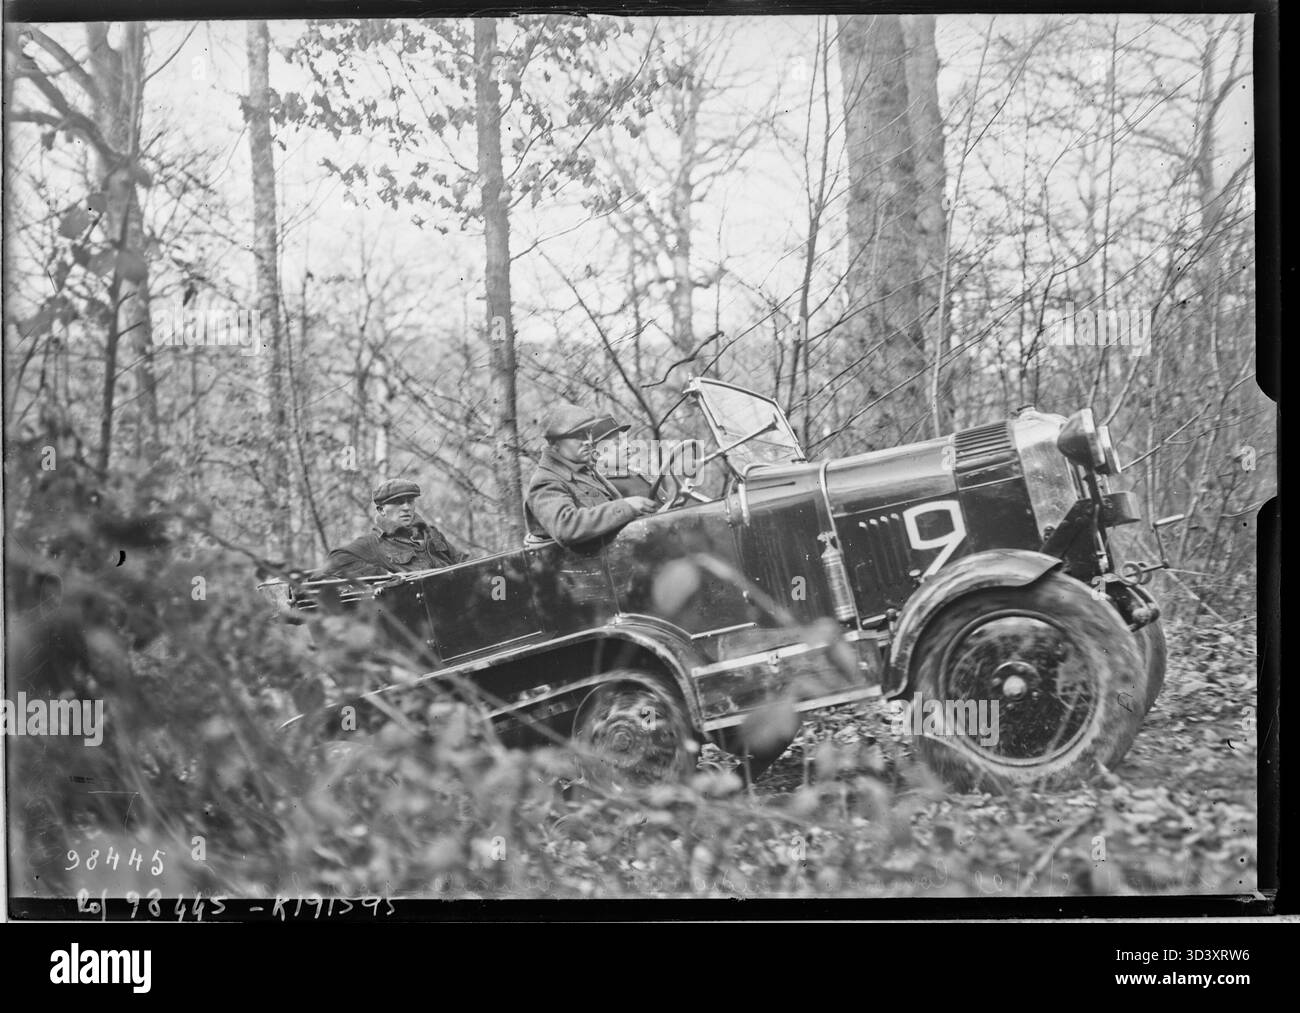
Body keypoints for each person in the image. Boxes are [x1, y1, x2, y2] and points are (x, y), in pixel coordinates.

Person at [525, 402, 658, 547]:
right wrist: (626, 506)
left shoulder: (585, 471)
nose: (588, 441)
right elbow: (566, 527)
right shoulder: (545, 481)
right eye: (578, 436)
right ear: (555, 444)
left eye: (588, 433)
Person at [322, 479, 467, 578]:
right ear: (382, 510)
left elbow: (465, 562)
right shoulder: (374, 543)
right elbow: (335, 562)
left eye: (410, 502)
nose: (406, 508)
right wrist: (383, 575)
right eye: (398, 503)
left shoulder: (432, 533)